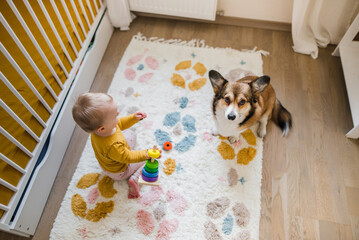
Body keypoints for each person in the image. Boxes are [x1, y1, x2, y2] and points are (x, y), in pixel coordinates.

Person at [72, 92, 157, 199]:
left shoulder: (97, 132)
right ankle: (134, 179)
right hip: (120, 171)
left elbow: (120, 124)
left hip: (110, 161)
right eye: (115, 116)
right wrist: (147, 153)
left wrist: (133, 118)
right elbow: (128, 157)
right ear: (102, 129)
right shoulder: (114, 146)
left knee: (131, 134)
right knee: (149, 159)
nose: (118, 113)